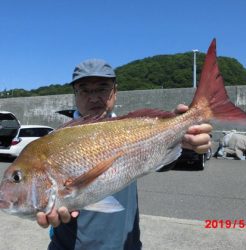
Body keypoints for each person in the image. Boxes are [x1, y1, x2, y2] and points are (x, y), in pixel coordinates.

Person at [37, 59, 212, 250]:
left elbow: (163, 162)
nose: (94, 97)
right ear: (75, 95)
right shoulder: (54, 144)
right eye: (84, 89)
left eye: (103, 88)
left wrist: (185, 139)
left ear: (115, 92)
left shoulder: (132, 128)